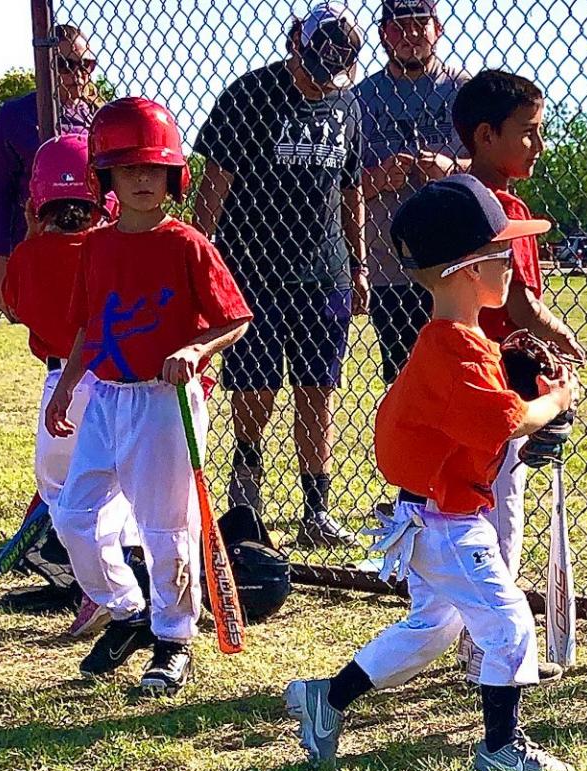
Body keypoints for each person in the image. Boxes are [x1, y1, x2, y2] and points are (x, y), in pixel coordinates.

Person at [285, 174, 578, 771]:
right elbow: (506, 420)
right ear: (470, 269)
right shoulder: (456, 349)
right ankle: (501, 748)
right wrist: (555, 400)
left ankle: (327, 698)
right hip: (448, 522)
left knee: (434, 627)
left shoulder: (456, 341)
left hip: (427, 514)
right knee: (508, 623)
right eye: (504, 255)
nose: (514, 266)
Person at [44, 97, 252, 695]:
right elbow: (88, 323)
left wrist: (197, 350)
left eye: (152, 168)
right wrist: (67, 385)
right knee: (76, 515)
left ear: (173, 175)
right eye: (127, 169)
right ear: (104, 178)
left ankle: (173, 638)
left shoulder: (186, 243)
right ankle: (127, 607)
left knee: (166, 529)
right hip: (106, 397)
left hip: (165, 400)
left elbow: (234, 318)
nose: (140, 179)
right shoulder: (100, 245)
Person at [193, 2, 366, 545]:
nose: (323, 82)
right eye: (317, 66)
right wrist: (201, 264)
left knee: (319, 391)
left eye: (335, 70)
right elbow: (213, 189)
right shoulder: (248, 96)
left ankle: (317, 507)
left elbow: (350, 189)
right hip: (253, 269)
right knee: (255, 391)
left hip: (325, 272)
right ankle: (246, 496)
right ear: (296, 43)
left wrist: (357, 263)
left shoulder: (348, 103)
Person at [449, 69, 585, 682]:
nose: (537, 145)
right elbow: (521, 304)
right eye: (526, 134)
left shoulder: (452, 195)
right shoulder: (498, 206)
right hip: (496, 378)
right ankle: (491, 644)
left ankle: (468, 632)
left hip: (458, 366)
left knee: (461, 505)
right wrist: (559, 338)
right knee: (501, 503)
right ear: (484, 135)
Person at [1, 133, 137, 639]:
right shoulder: (113, 248)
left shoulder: (28, 256)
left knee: (62, 490)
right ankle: (125, 561)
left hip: (64, 381)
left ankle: (102, 586)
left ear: (37, 202)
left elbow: (17, 308)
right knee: (118, 483)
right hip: (120, 380)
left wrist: (35, 237)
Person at [357, 0, 469, 382]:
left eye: (421, 23)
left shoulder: (462, 89)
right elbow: (341, 185)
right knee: (404, 378)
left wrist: (450, 169)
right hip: (391, 265)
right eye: (399, 26)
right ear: (383, 35)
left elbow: (496, 164)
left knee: (461, 373)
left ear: (438, 28)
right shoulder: (361, 98)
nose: (411, 35)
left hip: (459, 262)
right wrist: (378, 178)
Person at [0, 24, 101, 319]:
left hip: (93, 246)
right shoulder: (16, 116)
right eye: (65, 66)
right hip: (36, 244)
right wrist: (0, 261)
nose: (78, 75)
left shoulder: (99, 119)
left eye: (86, 64)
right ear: (45, 67)